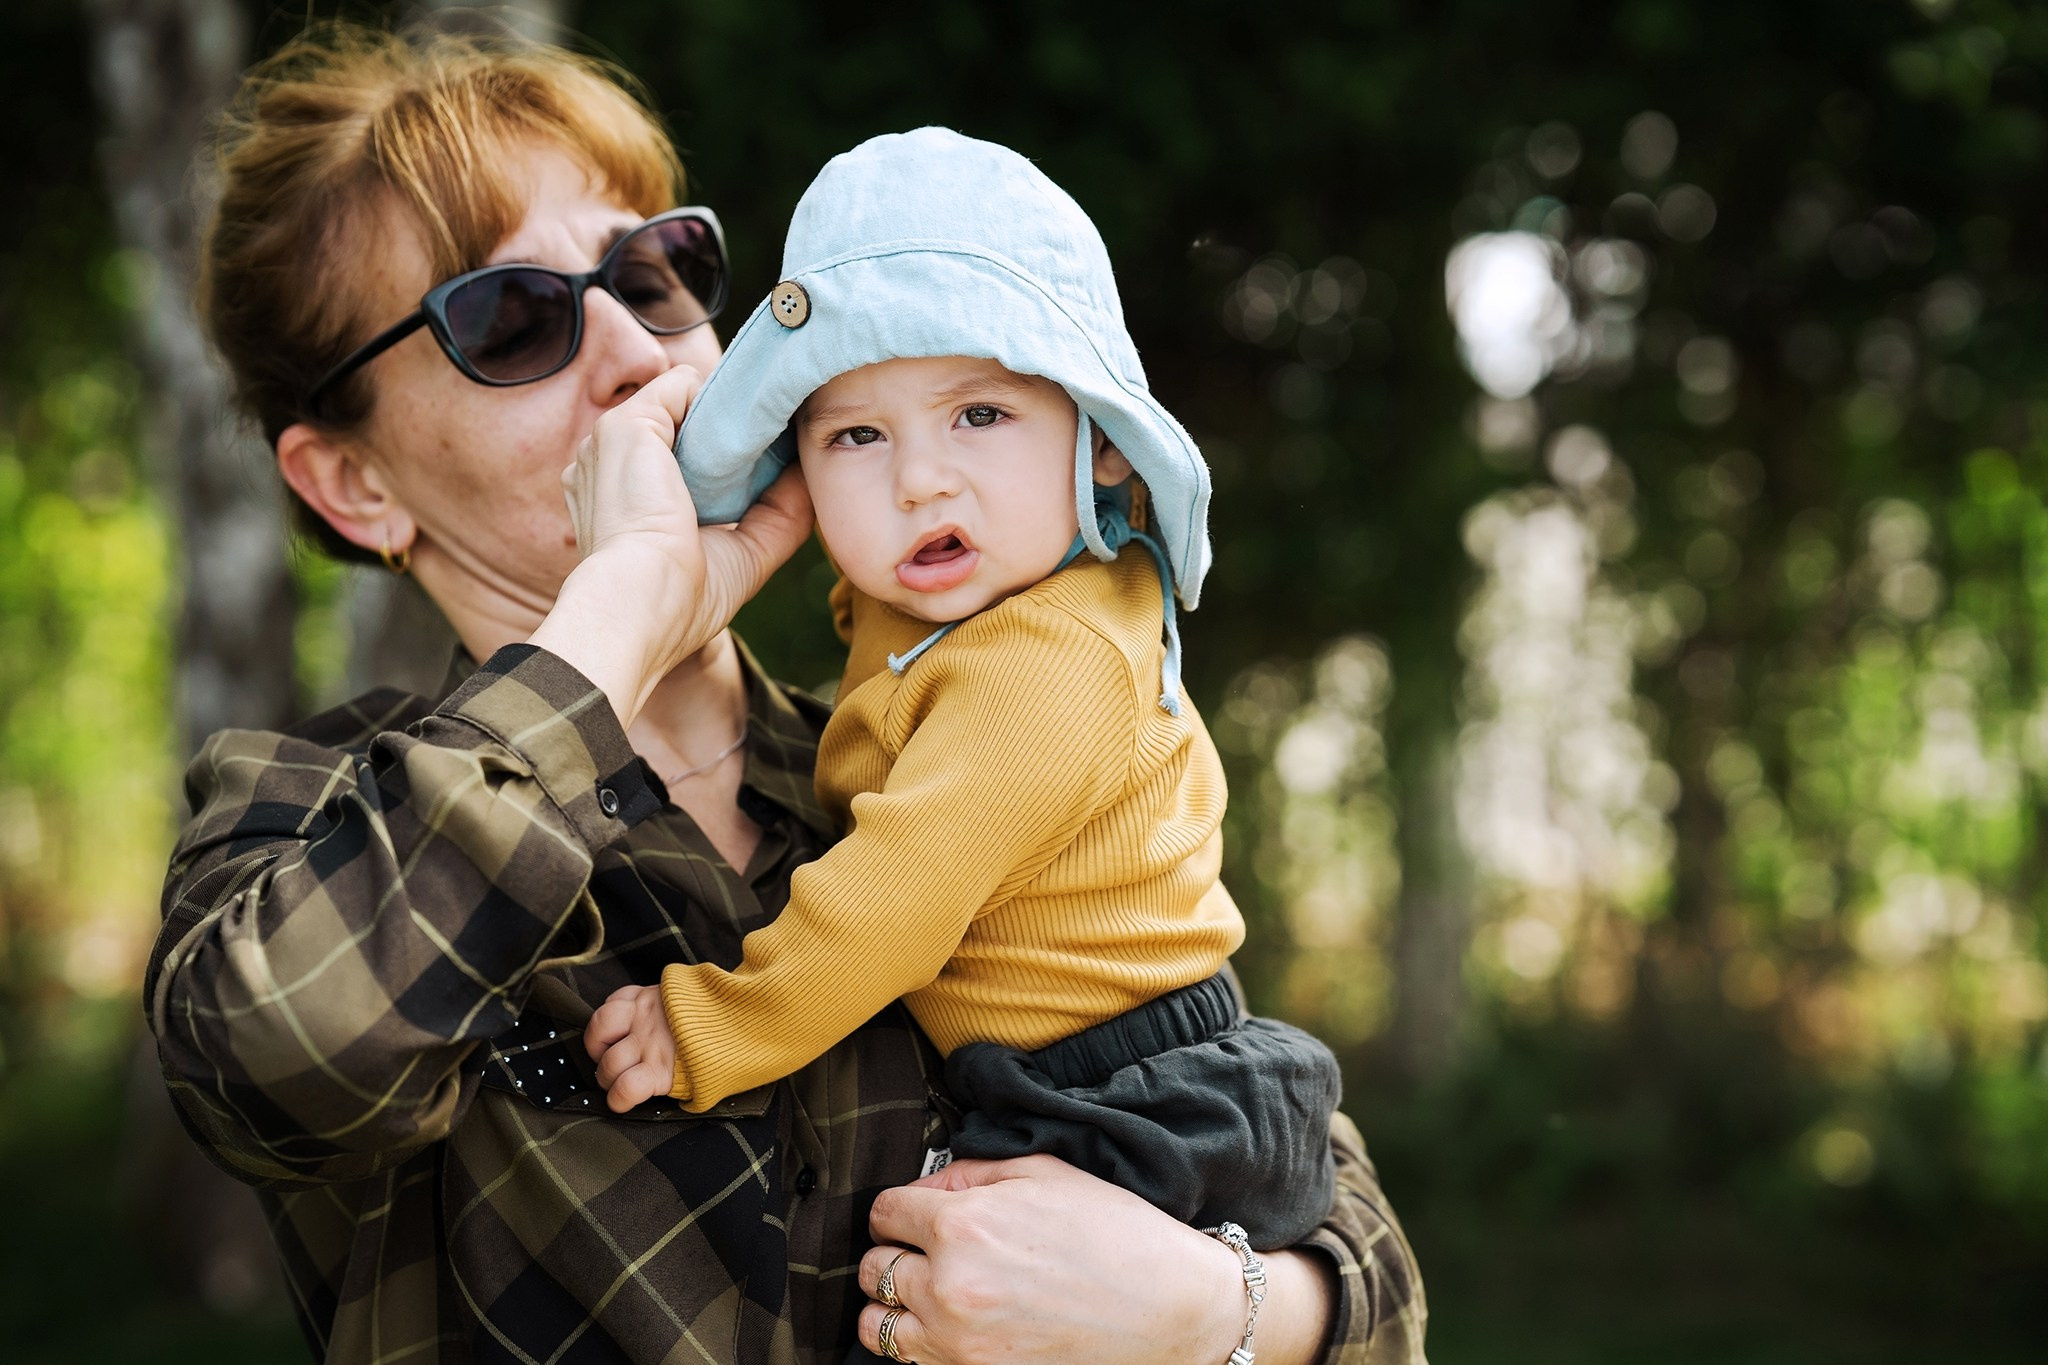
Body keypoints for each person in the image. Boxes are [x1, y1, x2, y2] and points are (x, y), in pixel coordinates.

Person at [144, 20, 1427, 1365]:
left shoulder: (911, 745)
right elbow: (280, 1060)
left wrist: (1199, 1310)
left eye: (656, 271)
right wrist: (616, 618)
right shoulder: (307, 818)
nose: (634, 349)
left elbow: (1369, 1276)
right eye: (511, 316)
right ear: (354, 481)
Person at [588, 129, 1342, 1263]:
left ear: (1101, 449)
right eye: (854, 434)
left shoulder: (1047, 665)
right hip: (1059, 1072)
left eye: (979, 415)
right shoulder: (942, 613)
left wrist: (708, 1025)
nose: (918, 477)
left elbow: (892, 903)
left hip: (1127, 1097)